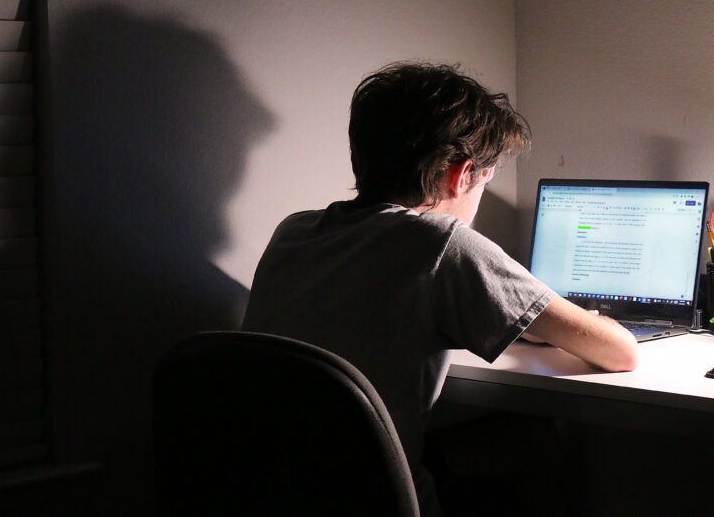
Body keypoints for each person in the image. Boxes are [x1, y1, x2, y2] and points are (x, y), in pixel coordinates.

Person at [241, 61, 638, 515]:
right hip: (380, 497)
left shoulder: (294, 231)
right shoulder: (440, 241)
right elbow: (620, 352)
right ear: (461, 174)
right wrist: (569, 321)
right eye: (484, 181)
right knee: (537, 437)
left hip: (274, 490)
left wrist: (518, 316)